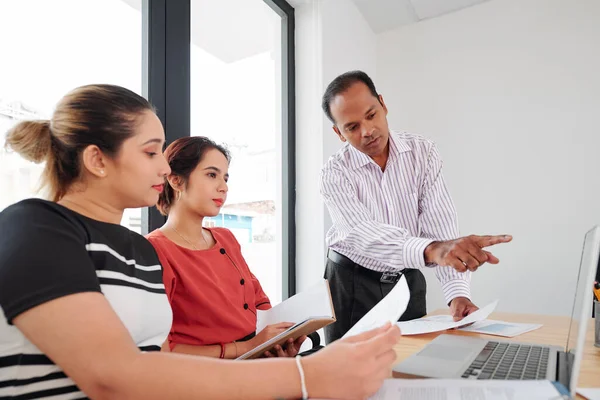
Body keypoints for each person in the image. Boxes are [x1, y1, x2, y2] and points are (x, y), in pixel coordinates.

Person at [0, 84, 401, 400]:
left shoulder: (136, 252)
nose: (163, 166)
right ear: (97, 160)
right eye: (151, 152)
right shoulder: (35, 226)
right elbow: (112, 376)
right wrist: (306, 375)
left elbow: (156, 366)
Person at [320, 70, 512, 344]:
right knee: (349, 377)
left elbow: (440, 226)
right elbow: (362, 234)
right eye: (352, 127)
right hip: (351, 283)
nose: (368, 131)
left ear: (383, 105)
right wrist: (431, 250)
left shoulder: (423, 152)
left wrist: (458, 294)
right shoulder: (334, 173)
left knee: (411, 364)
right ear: (339, 133)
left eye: (372, 115)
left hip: (406, 279)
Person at [147, 136, 305, 359]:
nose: (224, 187)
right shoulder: (155, 250)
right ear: (176, 181)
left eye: (226, 178)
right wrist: (247, 348)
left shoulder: (226, 238)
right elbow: (160, 350)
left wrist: (278, 341)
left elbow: (258, 300)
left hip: (256, 360)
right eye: (212, 175)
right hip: (207, 376)